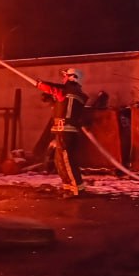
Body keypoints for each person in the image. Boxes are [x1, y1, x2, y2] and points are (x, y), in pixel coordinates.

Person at [36, 67, 89, 196]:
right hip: (64, 131)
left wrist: (39, 84)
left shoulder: (68, 91)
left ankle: (76, 189)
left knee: (66, 161)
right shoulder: (74, 93)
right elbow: (62, 104)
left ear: (73, 78)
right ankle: (68, 187)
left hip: (66, 131)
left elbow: (53, 89)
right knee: (60, 160)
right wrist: (52, 100)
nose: (63, 78)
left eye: (66, 76)